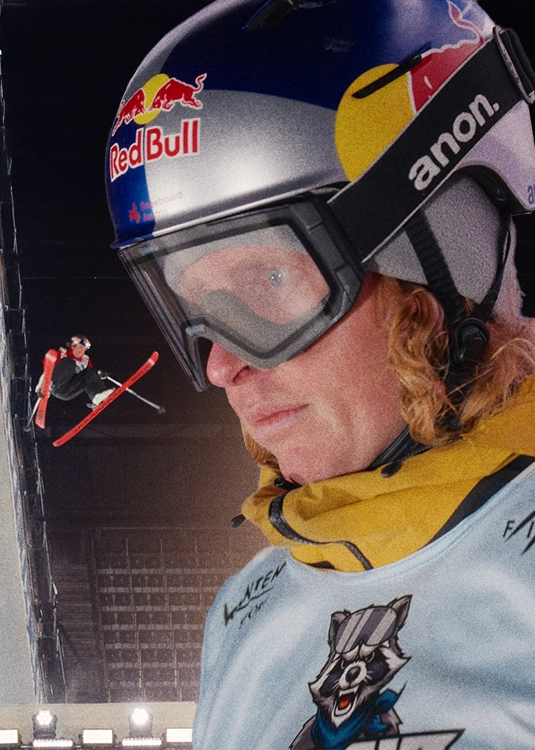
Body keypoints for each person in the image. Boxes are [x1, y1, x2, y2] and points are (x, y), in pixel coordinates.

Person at [108, 3, 535, 747]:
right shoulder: (247, 614)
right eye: (199, 306)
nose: (221, 364)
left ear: (440, 267)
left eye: (270, 278)